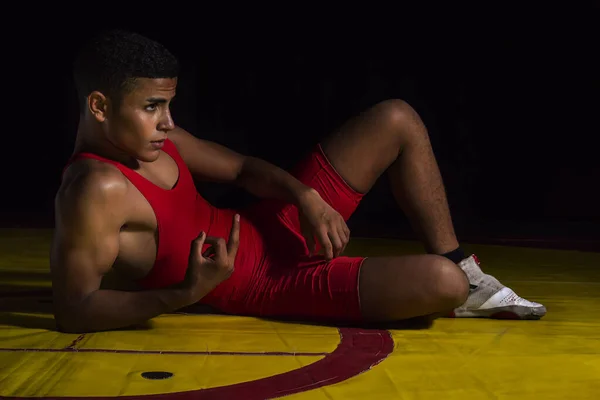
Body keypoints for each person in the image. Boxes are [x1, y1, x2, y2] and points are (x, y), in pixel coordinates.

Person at [51, 29, 546, 333]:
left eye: (168, 104)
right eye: (152, 106)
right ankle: (460, 281)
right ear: (98, 106)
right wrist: (183, 295)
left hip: (269, 226)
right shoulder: (96, 188)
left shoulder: (159, 138)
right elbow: (74, 310)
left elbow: (243, 169)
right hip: (267, 283)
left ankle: (467, 268)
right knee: (443, 283)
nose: (167, 121)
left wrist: (305, 197)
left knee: (396, 119)